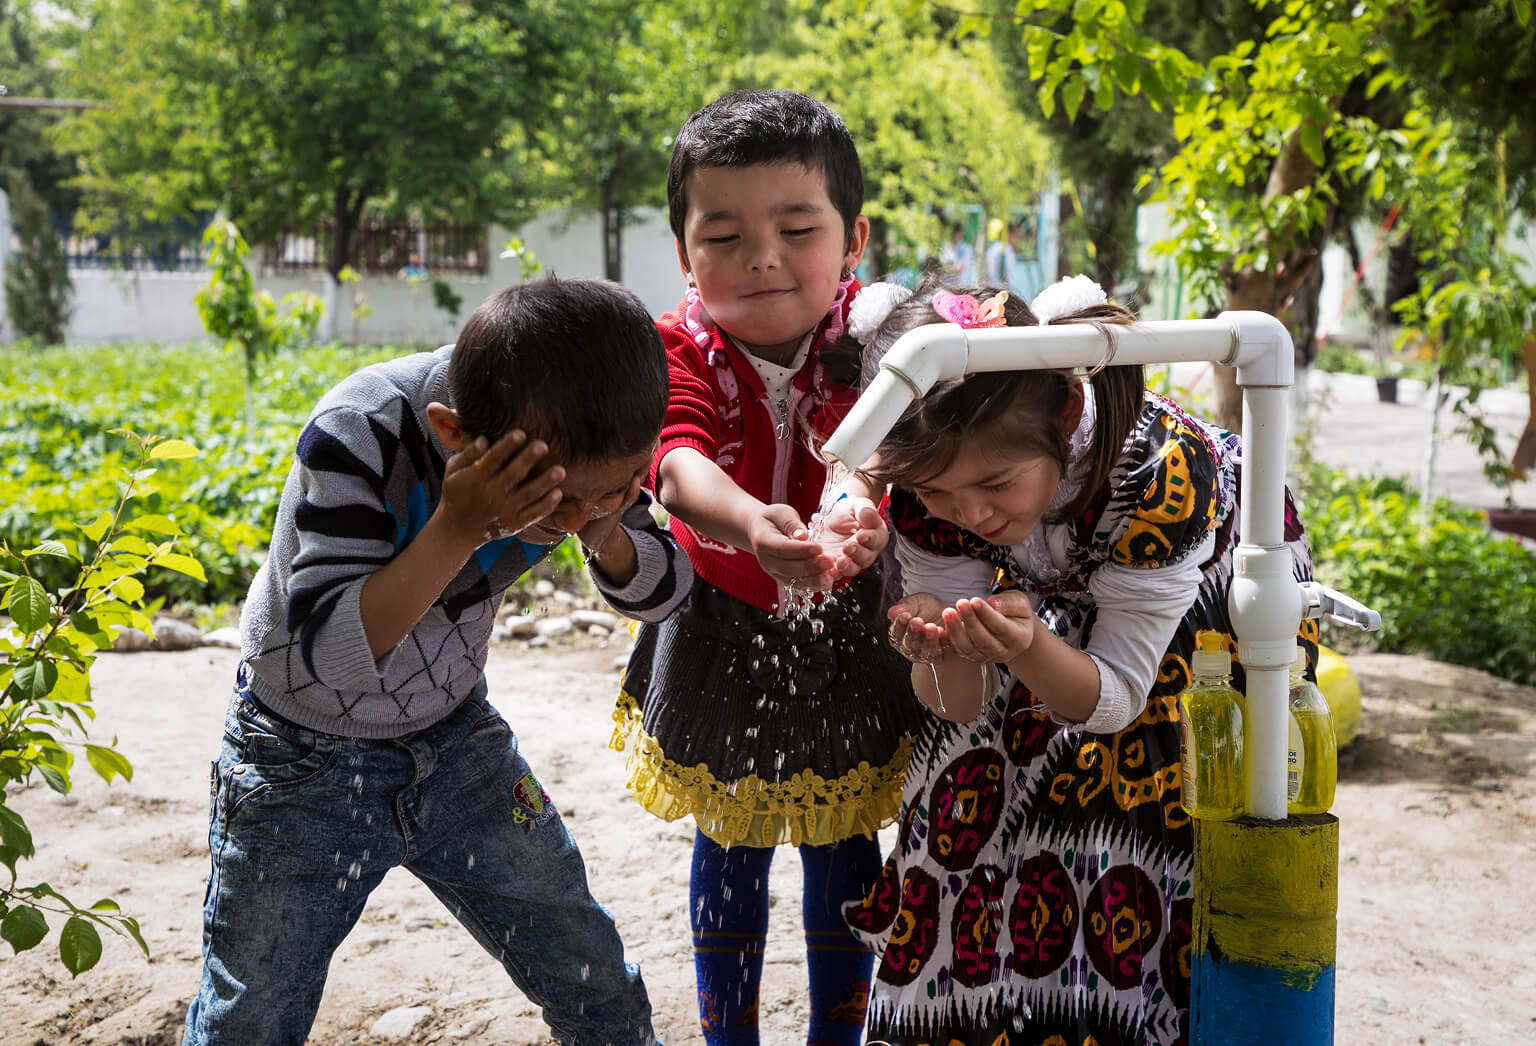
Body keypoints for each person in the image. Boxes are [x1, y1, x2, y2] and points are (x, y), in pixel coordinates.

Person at [182, 276, 693, 1046]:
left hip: (457, 741)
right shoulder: (359, 430)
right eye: (559, 499)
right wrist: (458, 526)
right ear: (455, 434)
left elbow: (664, 589)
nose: (580, 516)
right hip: (297, 762)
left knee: (591, 972)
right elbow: (334, 655)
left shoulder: (589, 447)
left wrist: (608, 524)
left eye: (616, 487)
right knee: (251, 1017)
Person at [840, 275, 1316, 1045]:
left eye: (995, 484)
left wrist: (1030, 646)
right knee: (958, 794)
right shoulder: (931, 487)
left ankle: (1122, 1020)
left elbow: (1120, 697)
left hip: (1209, 624)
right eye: (940, 495)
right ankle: (960, 1019)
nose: (973, 515)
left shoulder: (1162, 474)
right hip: (1060, 603)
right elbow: (957, 708)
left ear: (1064, 410)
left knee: (1130, 819)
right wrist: (938, 652)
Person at [608, 89, 924, 1045]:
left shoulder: (882, 345)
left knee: (843, 836)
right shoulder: (677, 349)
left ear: (853, 237)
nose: (763, 257)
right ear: (683, 255)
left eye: (797, 227)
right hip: (717, 617)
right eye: (726, 234)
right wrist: (752, 527)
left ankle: (839, 1037)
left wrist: (858, 508)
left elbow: (887, 446)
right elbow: (676, 458)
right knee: (731, 833)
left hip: (847, 617)